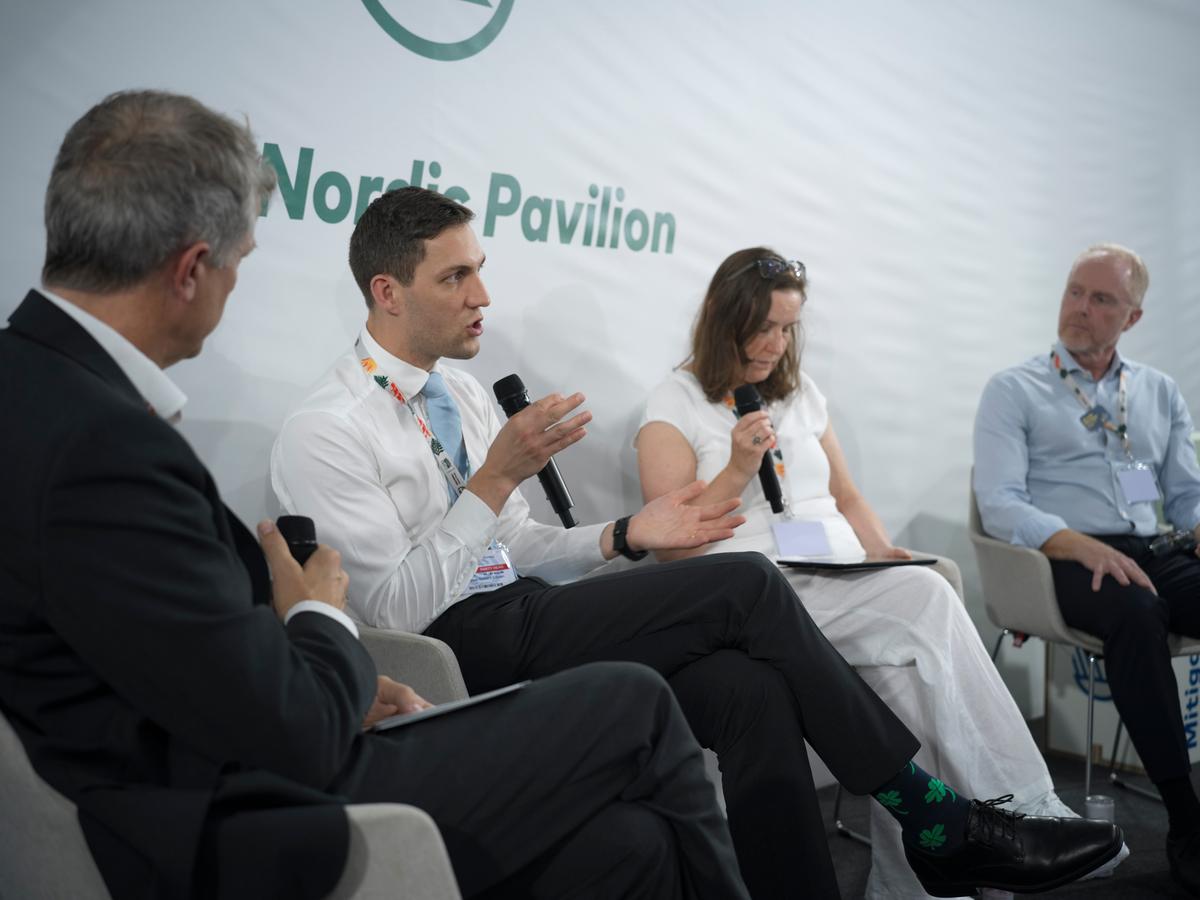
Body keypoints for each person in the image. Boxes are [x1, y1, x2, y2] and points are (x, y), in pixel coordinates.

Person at [0, 90, 757, 900]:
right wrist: (327, 623)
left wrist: (340, 672)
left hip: (259, 745)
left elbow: (176, 653)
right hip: (236, 812)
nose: (480, 298)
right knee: (634, 701)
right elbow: (287, 709)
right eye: (239, 264)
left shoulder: (38, 391)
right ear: (192, 268)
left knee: (630, 844)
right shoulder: (106, 443)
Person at [271, 185, 1124, 899]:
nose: (483, 297)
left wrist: (622, 536)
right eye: (456, 277)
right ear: (388, 292)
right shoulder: (326, 429)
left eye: (480, 271)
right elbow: (387, 612)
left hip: (527, 607)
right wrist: (493, 478)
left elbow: (520, 544)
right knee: (748, 583)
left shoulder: (462, 392)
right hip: (454, 646)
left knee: (750, 689)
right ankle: (936, 817)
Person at [633, 246, 1130, 898]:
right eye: (762, 327)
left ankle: (911, 890)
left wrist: (883, 549)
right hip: (752, 588)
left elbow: (845, 495)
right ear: (722, 319)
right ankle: (1029, 810)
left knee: (906, 687)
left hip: (834, 575)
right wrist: (734, 470)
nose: (774, 344)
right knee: (924, 597)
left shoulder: (800, 393)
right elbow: (670, 548)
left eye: (786, 328)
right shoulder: (675, 402)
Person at [974, 243, 1200, 895]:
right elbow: (999, 503)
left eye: (1102, 299)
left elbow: (1185, 495)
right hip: (1062, 558)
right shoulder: (1014, 388)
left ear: (1131, 318)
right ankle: (1186, 816)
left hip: (1155, 546)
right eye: (1076, 291)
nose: (1081, 308)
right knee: (1136, 612)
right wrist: (1078, 543)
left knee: (1151, 590)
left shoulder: (1157, 390)